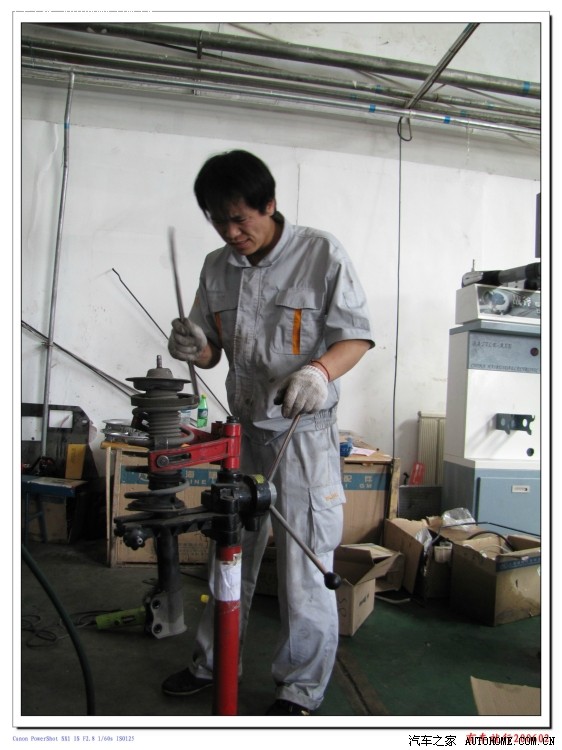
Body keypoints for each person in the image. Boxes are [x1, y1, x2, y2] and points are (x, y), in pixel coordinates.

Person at [165, 149, 374, 716]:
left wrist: (318, 371)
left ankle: (299, 688)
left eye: (240, 220)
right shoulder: (215, 267)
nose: (231, 234)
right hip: (244, 437)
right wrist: (194, 347)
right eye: (219, 221)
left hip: (302, 436)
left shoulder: (321, 254)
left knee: (305, 564)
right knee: (229, 552)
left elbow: (356, 336)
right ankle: (212, 663)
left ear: (269, 204)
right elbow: (212, 351)